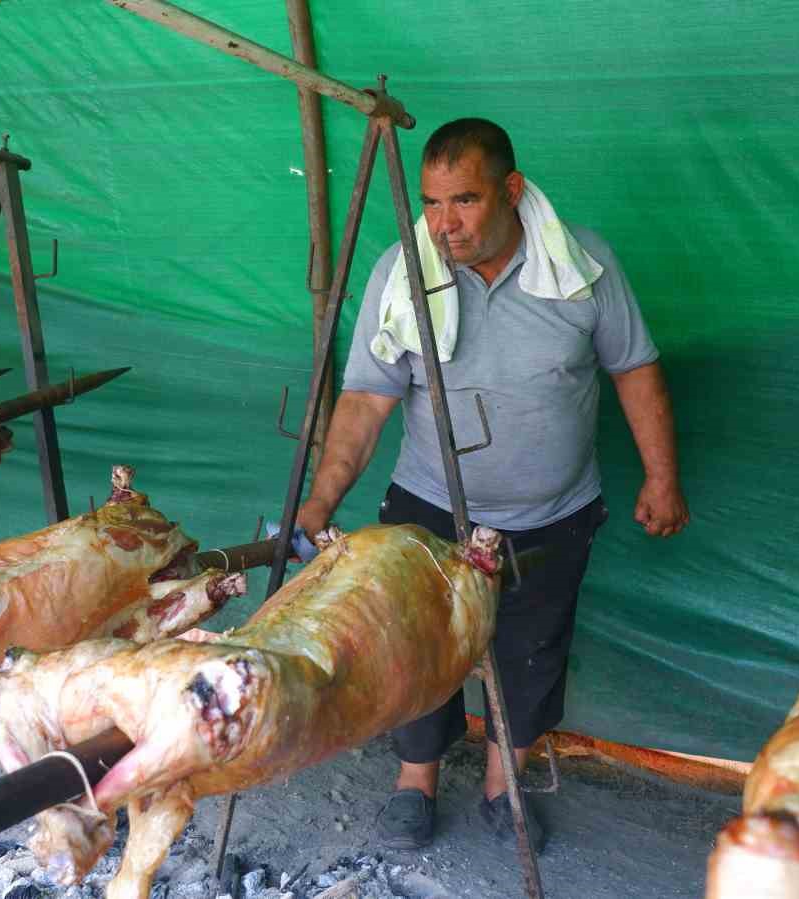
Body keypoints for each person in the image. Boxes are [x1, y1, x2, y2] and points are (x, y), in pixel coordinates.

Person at [293, 117, 688, 852]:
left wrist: (662, 476)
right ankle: (416, 780)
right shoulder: (401, 270)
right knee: (415, 647)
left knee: (530, 650)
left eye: (465, 201)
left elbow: (634, 368)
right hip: (429, 503)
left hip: (552, 513)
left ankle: (505, 783)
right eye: (433, 203)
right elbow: (365, 397)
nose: (445, 224)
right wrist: (323, 496)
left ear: (511, 190)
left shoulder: (582, 266)